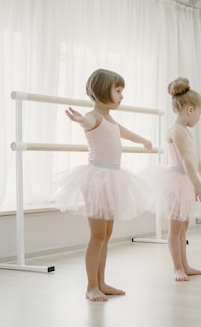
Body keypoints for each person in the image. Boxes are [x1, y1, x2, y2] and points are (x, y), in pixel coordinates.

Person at [52, 69, 153, 301]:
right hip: (97, 180)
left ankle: (102, 282)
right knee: (97, 235)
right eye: (118, 91)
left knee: (106, 234)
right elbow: (88, 122)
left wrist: (143, 140)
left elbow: (123, 132)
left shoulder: (110, 119)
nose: (122, 96)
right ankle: (91, 286)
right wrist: (80, 119)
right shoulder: (94, 117)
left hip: (112, 179)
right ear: (100, 91)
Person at [140, 77, 201, 281]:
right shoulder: (175, 131)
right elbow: (185, 159)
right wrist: (196, 185)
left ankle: (185, 265)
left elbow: (196, 161)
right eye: (200, 114)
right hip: (177, 182)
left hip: (187, 180)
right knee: (175, 228)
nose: (199, 119)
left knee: (184, 226)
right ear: (190, 110)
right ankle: (177, 267)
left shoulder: (184, 130)